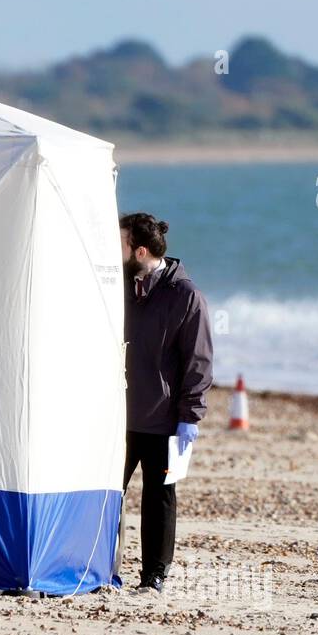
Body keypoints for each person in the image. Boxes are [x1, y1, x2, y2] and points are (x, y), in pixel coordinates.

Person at [118, 212, 213, 592]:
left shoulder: (185, 296)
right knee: (106, 496)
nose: (114, 249)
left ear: (139, 251)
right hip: (116, 417)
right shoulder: (117, 285)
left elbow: (199, 361)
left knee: (159, 499)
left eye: (121, 242)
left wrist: (190, 416)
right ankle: (97, 567)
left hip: (165, 420)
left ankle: (153, 576)